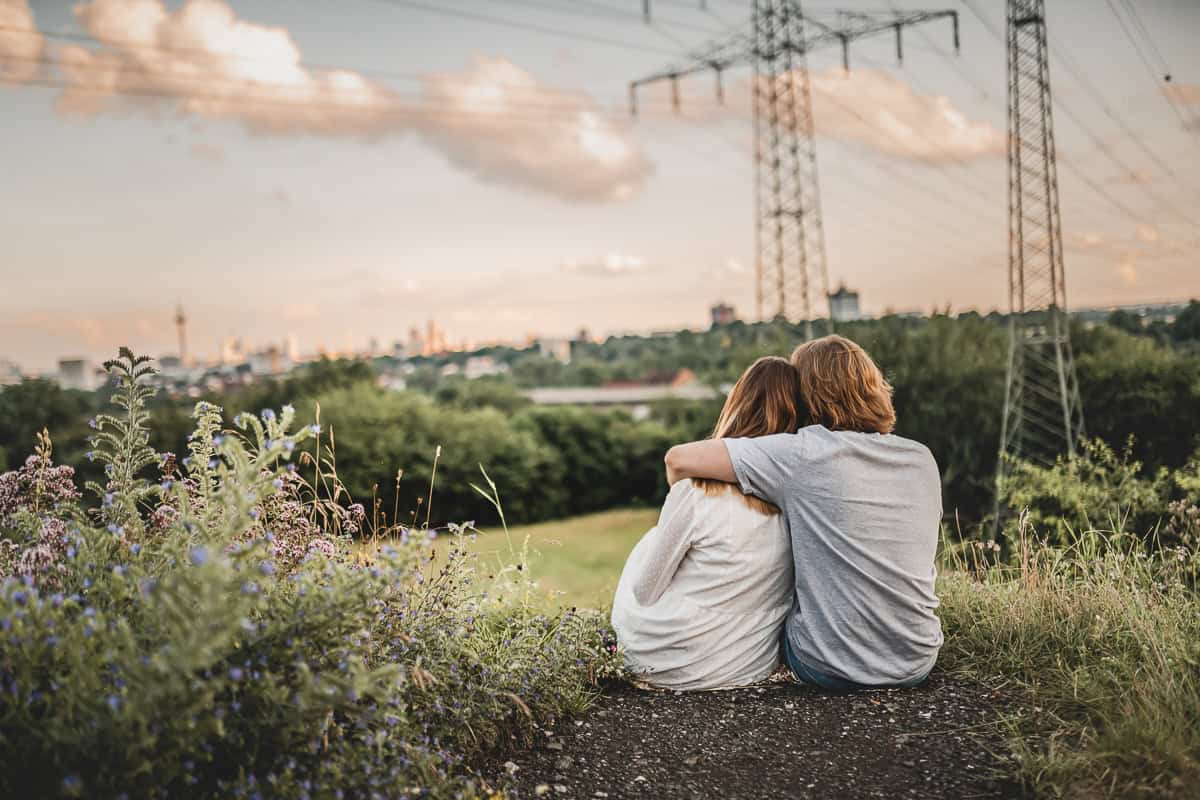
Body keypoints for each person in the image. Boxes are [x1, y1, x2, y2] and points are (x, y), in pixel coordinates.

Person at [664, 335, 943, 690]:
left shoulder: (802, 454)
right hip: (917, 660)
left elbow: (678, 458)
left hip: (828, 666)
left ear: (808, 394)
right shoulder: (920, 458)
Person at [610, 356, 804, 691]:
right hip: (747, 664)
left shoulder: (696, 492)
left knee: (650, 540)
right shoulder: (801, 498)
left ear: (736, 407)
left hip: (667, 661)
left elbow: (645, 590)